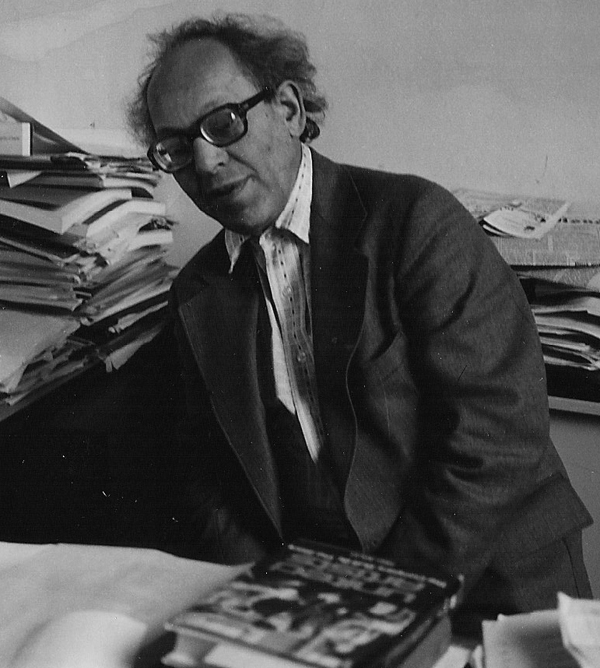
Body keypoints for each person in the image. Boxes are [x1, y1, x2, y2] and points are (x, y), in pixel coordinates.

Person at [127, 12, 593, 634]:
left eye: (224, 123)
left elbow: (494, 442)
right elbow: (212, 484)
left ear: (289, 110)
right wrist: (260, 609)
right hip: (320, 604)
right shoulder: (196, 291)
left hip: (495, 584)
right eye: (178, 148)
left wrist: (378, 608)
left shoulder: (417, 223)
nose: (206, 162)